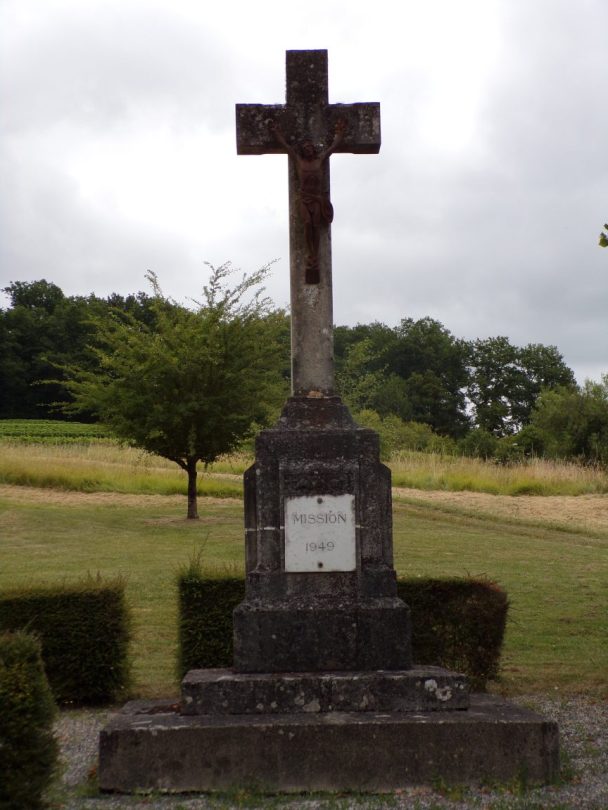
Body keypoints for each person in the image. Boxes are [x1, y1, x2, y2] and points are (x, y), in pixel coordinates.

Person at [270, 119, 346, 283]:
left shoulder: (319, 161)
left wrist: (339, 135)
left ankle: (314, 255)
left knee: (315, 225)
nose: (308, 150)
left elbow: (331, 148)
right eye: (305, 148)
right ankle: (311, 254)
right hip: (304, 199)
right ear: (303, 152)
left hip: (317, 200)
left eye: (310, 148)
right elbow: (288, 149)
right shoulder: (300, 162)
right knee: (307, 223)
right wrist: (277, 134)